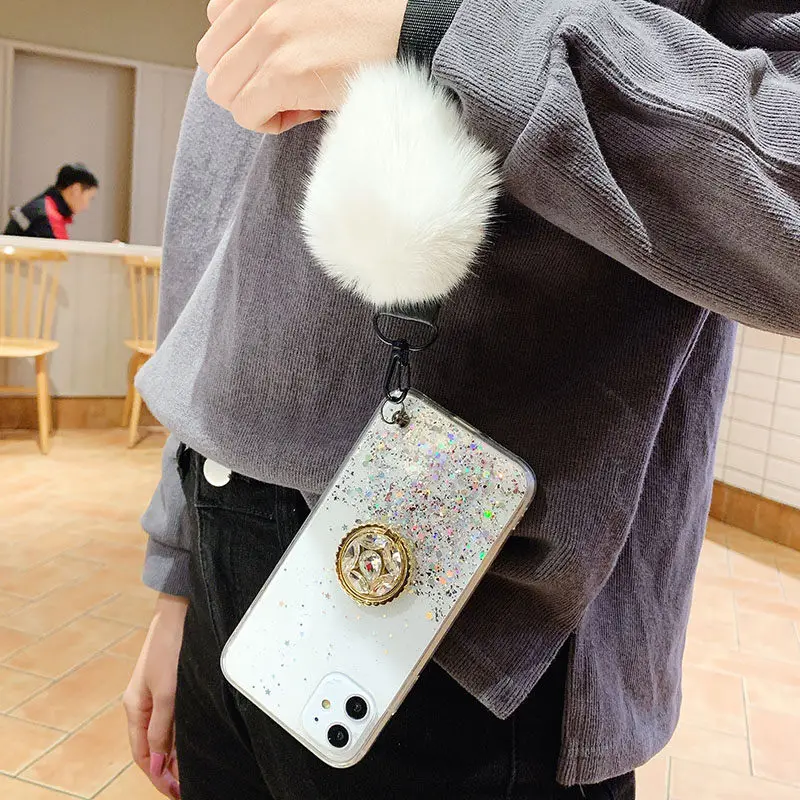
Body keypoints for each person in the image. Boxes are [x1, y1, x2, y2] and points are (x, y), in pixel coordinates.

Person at [124, 1, 800, 799]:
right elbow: (226, 197)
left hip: (482, 608)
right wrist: (180, 567)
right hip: (223, 538)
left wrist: (441, 33)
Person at [4, 163, 98, 239]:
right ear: (76, 189)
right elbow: (60, 254)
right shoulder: (48, 215)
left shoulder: (44, 206)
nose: (87, 206)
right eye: (89, 198)